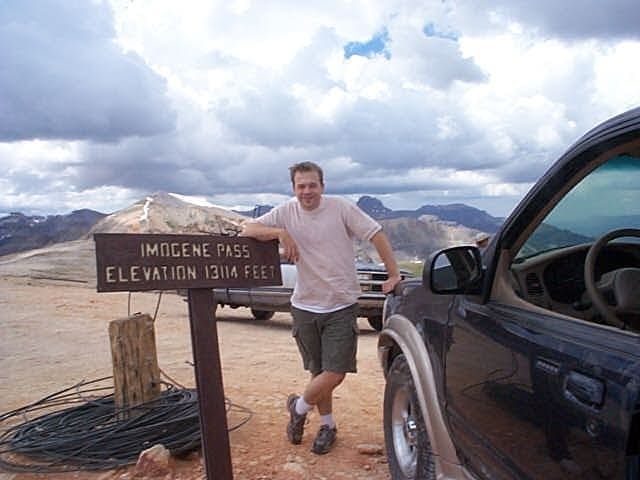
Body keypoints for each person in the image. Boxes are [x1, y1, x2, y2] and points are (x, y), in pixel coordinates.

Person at [241, 161, 401, 455]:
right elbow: (246, 228)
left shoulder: (340, 208)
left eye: (312, 185)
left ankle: (298, 408)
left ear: (322, 186)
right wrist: (280, 234)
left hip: (340, 304)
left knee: (335, 372)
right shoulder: (287, 211)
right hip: (304, 305)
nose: (307, 191)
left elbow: (376, 234)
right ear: (293, 188)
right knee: (319, 371)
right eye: (301, 186)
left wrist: (393, 274)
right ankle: (327, 425)